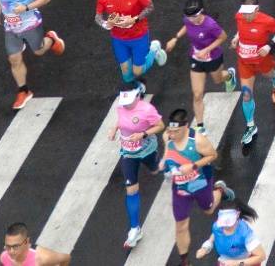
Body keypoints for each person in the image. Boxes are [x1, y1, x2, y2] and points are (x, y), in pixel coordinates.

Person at [0, 0, 63, 108]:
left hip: (30, 24)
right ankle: (23, 91)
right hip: (11, 26)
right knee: (14, 59)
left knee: (38, 51)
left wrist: (26, 7)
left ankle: (51, 38)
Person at [160, 109, 228, 261]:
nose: (172, 134)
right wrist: (163, 162)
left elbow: (213, 155)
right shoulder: (168, 136)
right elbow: (168, 153)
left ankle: (219, 189)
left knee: (209, 210)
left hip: (200, 182)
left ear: (185, 127)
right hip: (180, 188)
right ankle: (184, 260)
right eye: (170, 130)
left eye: (176, 131)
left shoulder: (198, 141)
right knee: (181, 226)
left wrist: (194, 166)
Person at [111, 84, 166, 248]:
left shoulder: (147, 109)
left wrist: (143, 134)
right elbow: (120, 121)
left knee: (156, 170)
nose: (126, 104)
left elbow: (160, 126)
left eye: (129, 100)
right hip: (128, 153)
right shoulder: (121, 106)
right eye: (124, 100)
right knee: (131, 188)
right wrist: (114, 130)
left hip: (146, 150)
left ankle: (170, 167)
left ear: (137, 95)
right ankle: (135, 229)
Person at [95, 0, 166, 89]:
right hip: (118, 39)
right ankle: (138, 86)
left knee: (137, 71)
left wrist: (134, 19)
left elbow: (150, 7)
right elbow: (98, 17)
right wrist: (106, 24)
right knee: (126, 74)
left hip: (139, 36)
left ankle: (154, 50)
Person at [228, 0, 275, 147]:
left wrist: (269, 45)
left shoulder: (266, 20)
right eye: (244, 13)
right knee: (246, 94)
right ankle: (250, 126)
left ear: (257, 10)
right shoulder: (239, 16)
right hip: (244, 62)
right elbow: (240, 29)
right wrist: (236, 38)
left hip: (262, 60)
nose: (246, 16)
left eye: (249, 13)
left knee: (270, 75)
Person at [194, 206, 265, 266]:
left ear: (237, 216)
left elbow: (261, 256)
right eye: (223, 223)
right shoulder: (217, 226)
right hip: (225, 261)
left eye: (229, 223)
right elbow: (216, 234)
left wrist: (237, 263)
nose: (225, 227)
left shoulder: (245, 234)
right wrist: (206, 246)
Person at [1, 223, 73, 266]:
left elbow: (66, 258)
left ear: (26, 242)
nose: (11, 251)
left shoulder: (43, 258)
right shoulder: (4, 257)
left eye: (15, 246)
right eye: (8, 246)